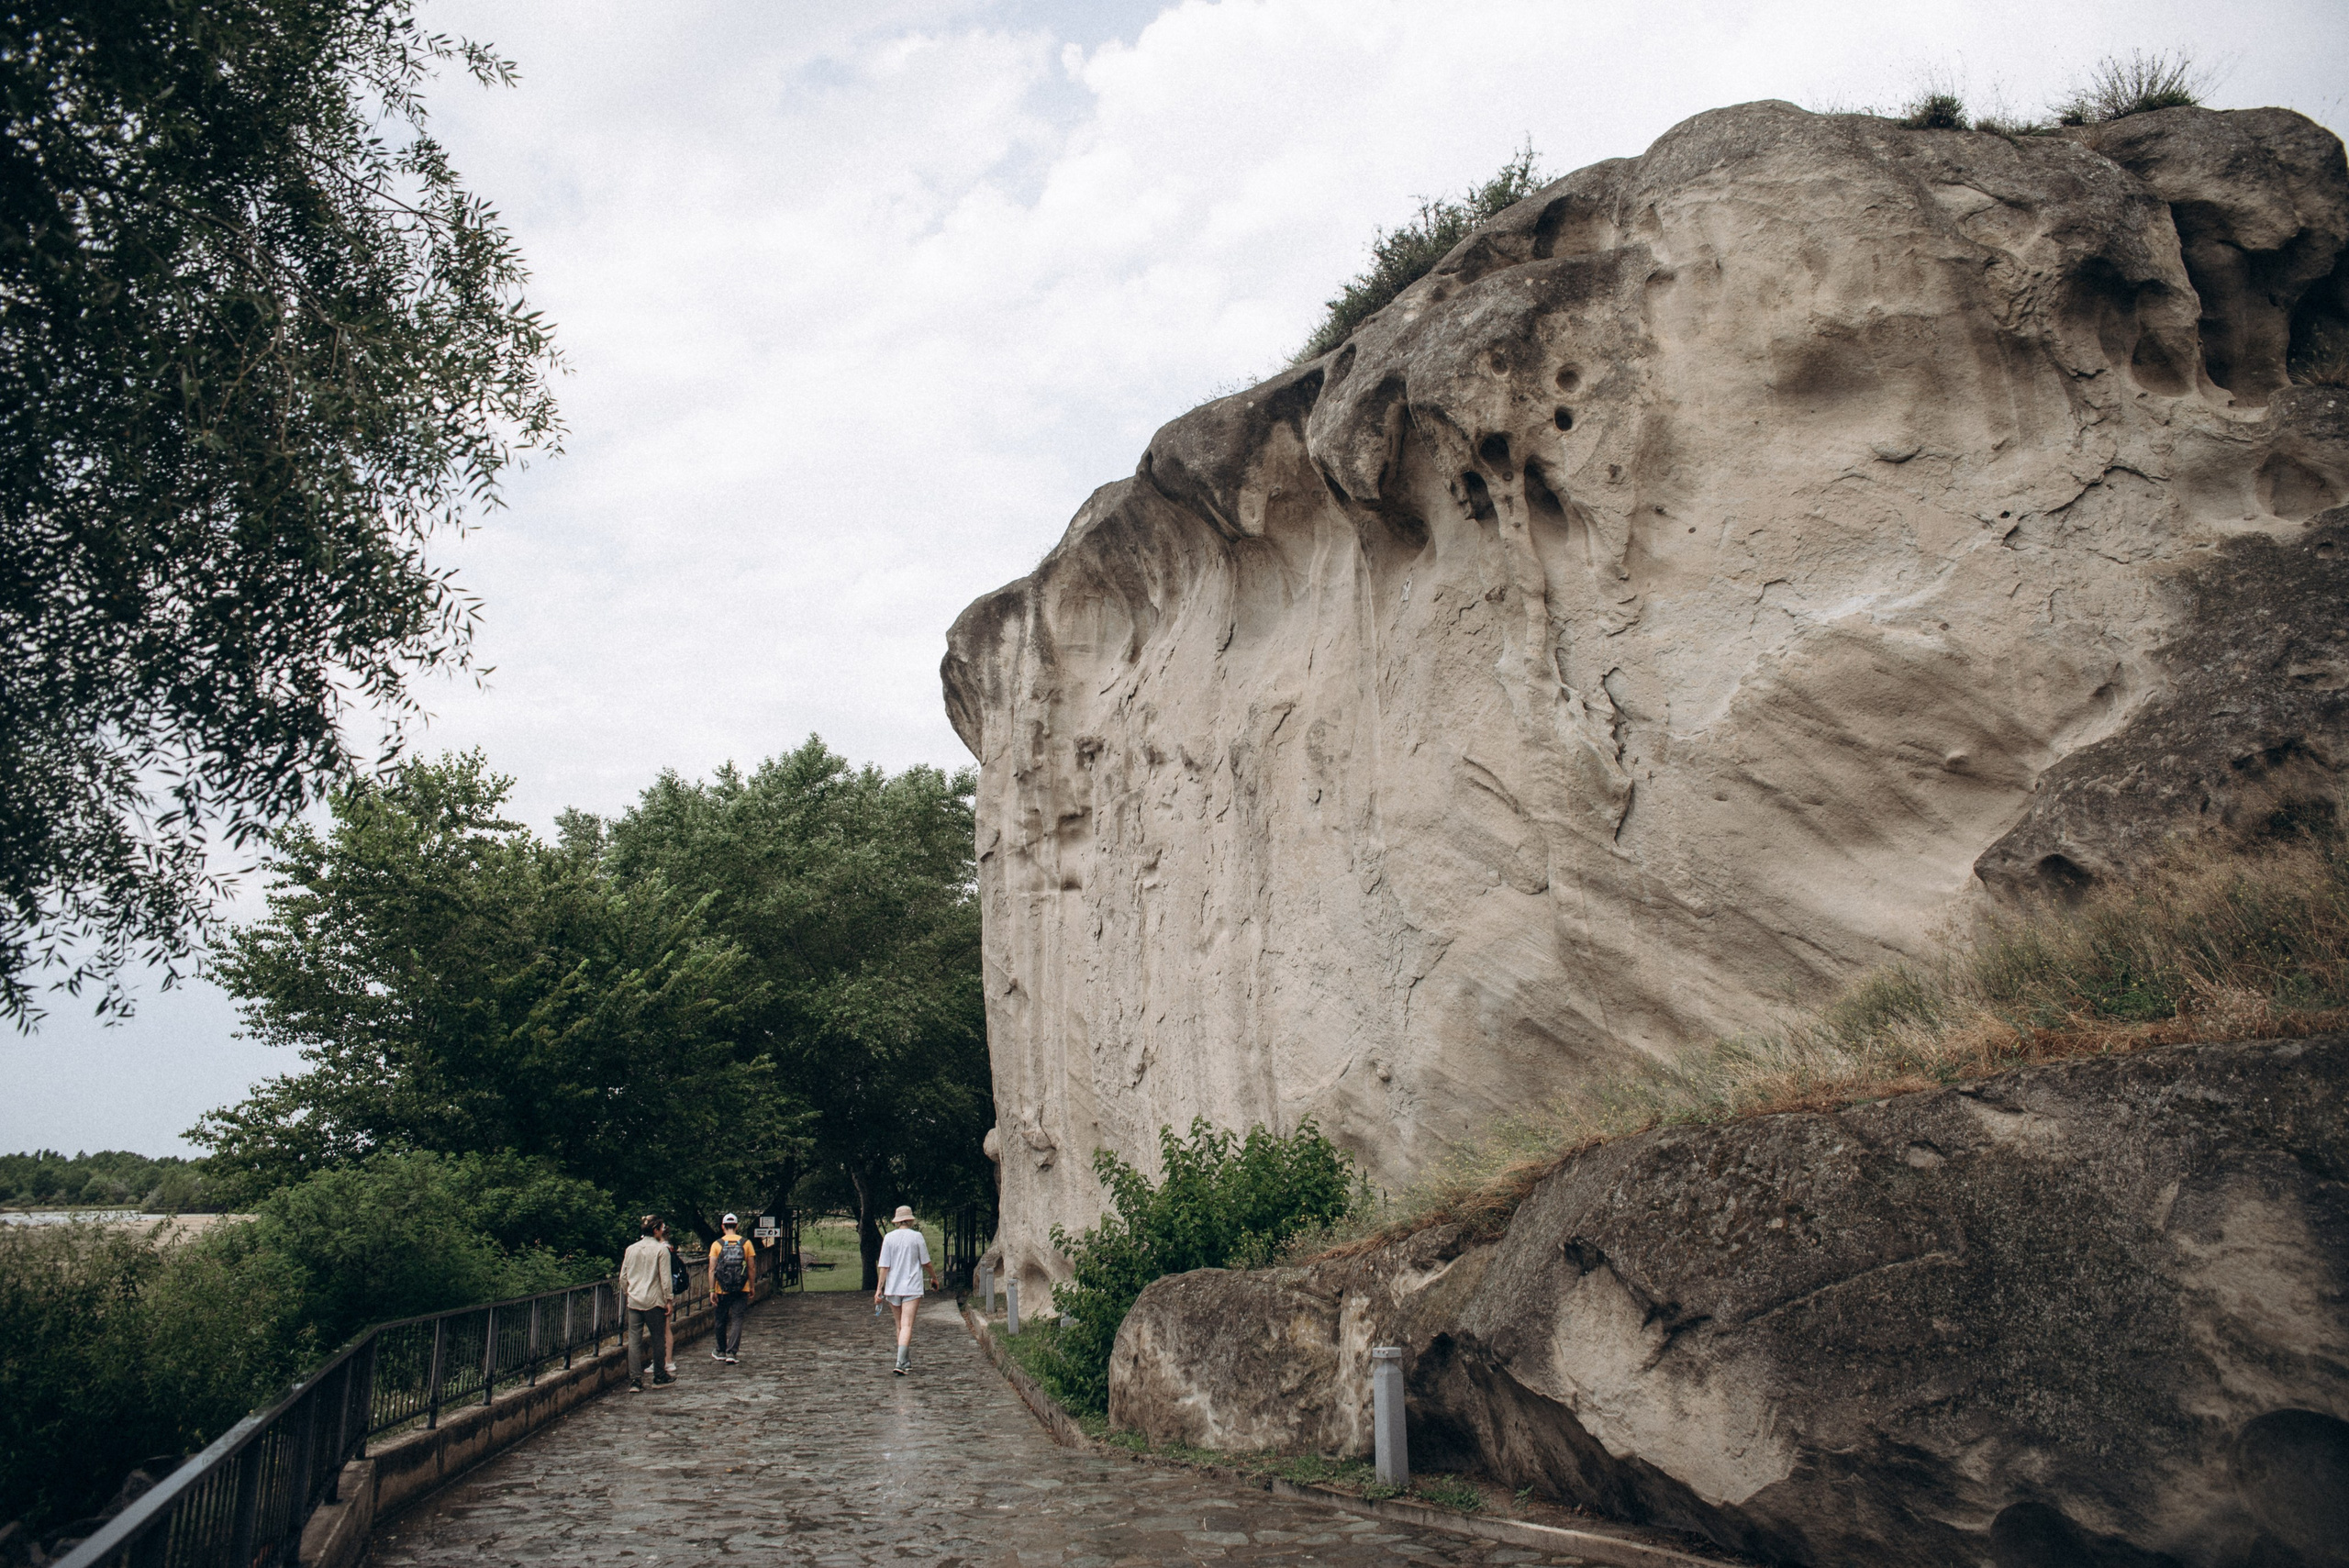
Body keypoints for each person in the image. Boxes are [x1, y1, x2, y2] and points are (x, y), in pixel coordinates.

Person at [873, 1205, 938, 1375]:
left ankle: (906, 1360)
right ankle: (900, 1362)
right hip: (912, 1286)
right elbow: (926, 1262)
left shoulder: (889, 1238)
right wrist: (934, 1277)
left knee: (899, 1325)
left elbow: (884, 1266)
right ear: (910, 1220)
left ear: (897, 1221)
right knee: (907, 1324)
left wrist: (879, 1289)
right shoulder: (916, 1237)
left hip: (893, 1287)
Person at [620, 1215, 674, 1391]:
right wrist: (668, 1299)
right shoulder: (661, 1250)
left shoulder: (631, 1249)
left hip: (634, 1300)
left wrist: (628, 1292)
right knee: (658, 1338)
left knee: (634, 1341)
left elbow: (623, 1277)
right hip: (653, 1301)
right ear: (656, 1230)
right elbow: (665, 1278)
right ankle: (659, 1375)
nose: (662, 1231)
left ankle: (635, 1380)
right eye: (661, 1228)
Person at [707, 1213, 757, 1363]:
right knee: (737, 1320)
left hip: (722, 1288)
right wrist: (752, 1286)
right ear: (737, 1226)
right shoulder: (746, 1243)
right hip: (741, 1288)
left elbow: (711, 1269)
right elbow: (751, 1267)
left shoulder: (717, 1244)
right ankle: (732, 1352)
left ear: (723, 1226)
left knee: (720, 1319)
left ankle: (721, 1350)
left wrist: (712, 1290)